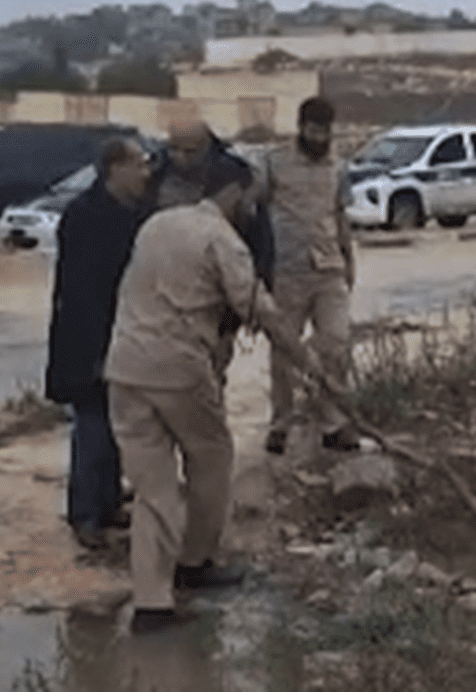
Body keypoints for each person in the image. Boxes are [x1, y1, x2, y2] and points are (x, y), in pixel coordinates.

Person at [105, 161, 333, 635]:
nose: (256, 210)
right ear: (235, 195)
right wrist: (308, 364)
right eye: (253, 200)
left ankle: (152, 604)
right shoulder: (223, 241)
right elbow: (263, 313)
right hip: (179, 369)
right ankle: (196, 560)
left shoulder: (156, 224)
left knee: (153, 489)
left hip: (124, 369)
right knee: (212, 457)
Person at [44, 137, 152, 550]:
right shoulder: (85, 216)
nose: (146, 173)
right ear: (115, 168)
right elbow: (81, 293)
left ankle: (107, 505)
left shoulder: (132, 214)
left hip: (122, 335)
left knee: (115, 426)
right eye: (139, 165)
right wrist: (95, 352)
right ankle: (85, 515)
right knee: (92, 428)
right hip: (89, 340)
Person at [260, 96, 360, 454]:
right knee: (284, 354)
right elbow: (257, 213)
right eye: (314, 130)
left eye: (325, 131)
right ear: (301, 128)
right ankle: (281, 425)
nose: (320, 138)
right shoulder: (274, 163)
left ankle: (333, 423)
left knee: (335, 343)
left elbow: (340, 216)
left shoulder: (338, 165)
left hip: (328, 269)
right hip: (287, 271)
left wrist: (349, 260)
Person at [145, 119, 275, 380]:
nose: (179, 158)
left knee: (206, 384)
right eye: (174, 149)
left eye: (189, 152)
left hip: (213, 303)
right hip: (158, 304)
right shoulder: (156, 176)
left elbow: (258, 241)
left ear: (206, 147)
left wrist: (242, 316)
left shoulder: (233, 177)